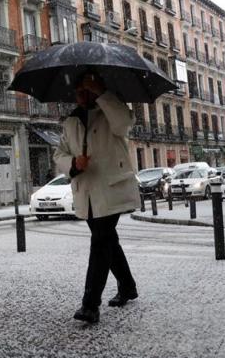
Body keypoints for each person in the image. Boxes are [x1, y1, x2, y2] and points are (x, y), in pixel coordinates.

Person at [53, 73, 141, 324]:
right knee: (108, 240)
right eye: (78, 91)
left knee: (101, 240)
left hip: (111, 189)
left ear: (96, 89)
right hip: (87, 192)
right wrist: (72, 162)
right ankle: (127, 286)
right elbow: (59, 152)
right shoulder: (71, 120)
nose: (80, 95)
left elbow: (124, 125)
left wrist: (102, 93)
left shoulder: (112, 109)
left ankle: (90, 304)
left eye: (86, 90)